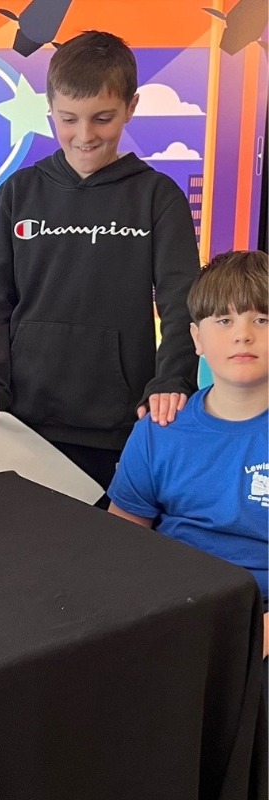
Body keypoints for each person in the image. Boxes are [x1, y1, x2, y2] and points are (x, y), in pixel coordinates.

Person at [0, 30, 200, 494]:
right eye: (69, 119)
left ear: (131, 108)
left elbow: (183, 305)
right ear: (49, 109)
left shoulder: (157, 197)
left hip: (121, 428)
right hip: (21, 424)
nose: (85, 135)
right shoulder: (17, 193)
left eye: (104, 118)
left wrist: (172, 380)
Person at [108, 250, 268, 656]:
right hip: (172, 607)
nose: (243, 334)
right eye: (224, 320)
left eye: (261, 319)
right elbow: (120, 541)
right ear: (196, 338)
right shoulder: (158, 432)